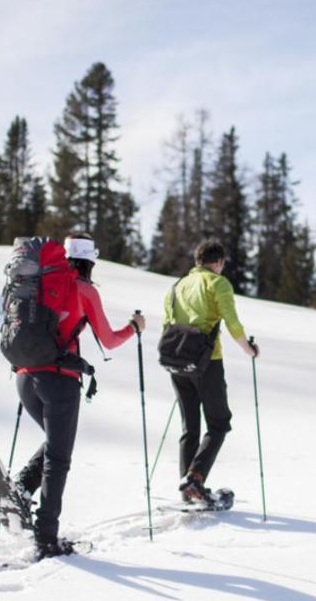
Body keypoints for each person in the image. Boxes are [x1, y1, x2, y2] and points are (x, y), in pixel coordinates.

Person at [14, 235, 145, 559]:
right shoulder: (84, 290)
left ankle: (20, 488)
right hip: (59, 381)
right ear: (91, 260)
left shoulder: (40, 283)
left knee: (56, 443)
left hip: (24, 376)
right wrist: (134, 327)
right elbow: (110, 340)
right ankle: (46, 537)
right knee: (59, 458)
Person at [164, 237, 258, 504]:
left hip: (176, 360)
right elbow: (232, 322)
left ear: (197, 261)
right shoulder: (218, 283)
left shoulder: (176, 286)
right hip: (207, 361)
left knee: (189, 427)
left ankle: (188, 488)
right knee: (219, 422)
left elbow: (168, 322)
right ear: (218, 262)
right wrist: (248, 349)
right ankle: (195, 478)